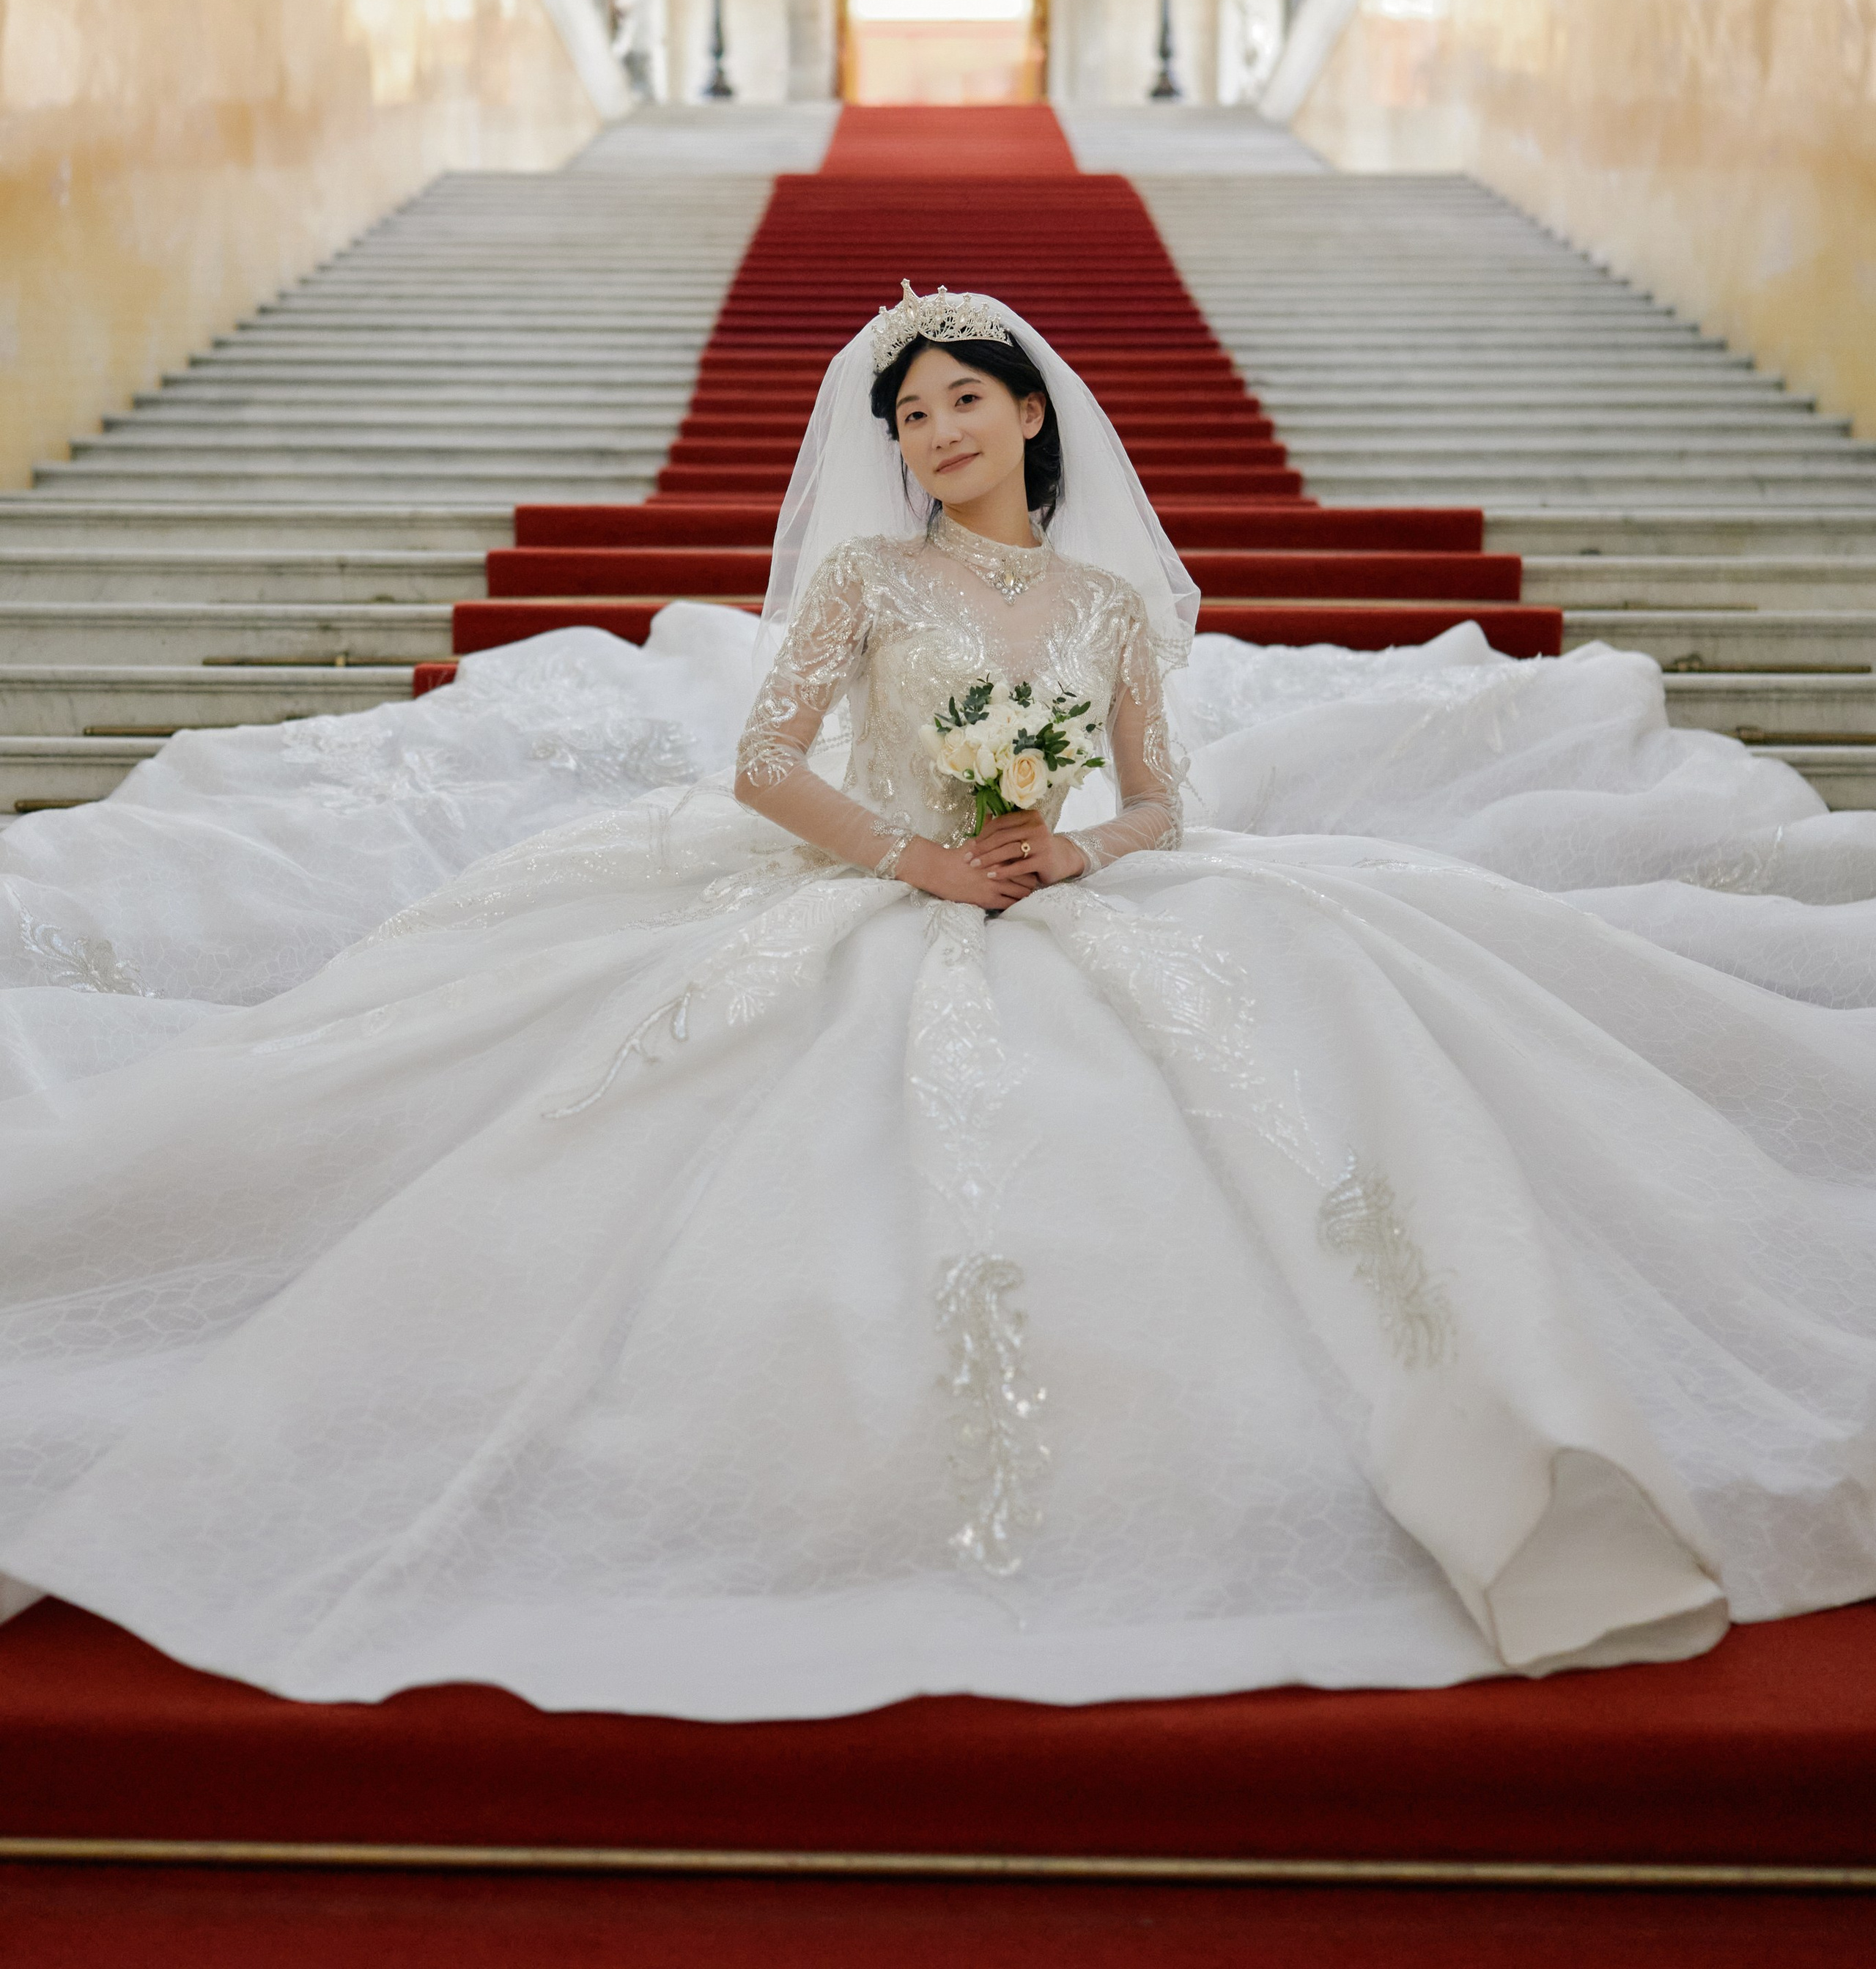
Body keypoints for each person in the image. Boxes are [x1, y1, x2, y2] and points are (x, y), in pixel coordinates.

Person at [0, 284, 1872, 1723]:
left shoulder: (1107, 605)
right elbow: (760, 762)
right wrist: (910, 861)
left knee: (1314, 1023)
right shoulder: (861, 578)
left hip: (1052, 886)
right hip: (877, 879)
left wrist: (1079, 851)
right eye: (908, 411)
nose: (934, 428)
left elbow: (1162, 795)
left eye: (962, 398)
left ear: (1030, 410)